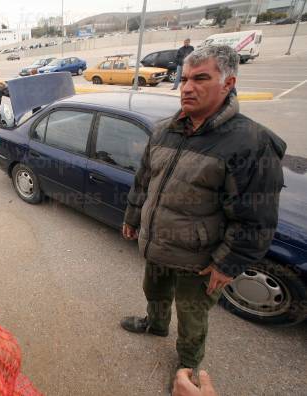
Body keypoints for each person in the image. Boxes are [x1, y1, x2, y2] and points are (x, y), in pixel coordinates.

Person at [120, 45, 286, 376]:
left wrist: (228, 263)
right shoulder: (165, 129)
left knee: (192, 317)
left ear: (228, 83)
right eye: (184, 79)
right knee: (153, 291)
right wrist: (132, 216)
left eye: (201, 78)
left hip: (199, 261)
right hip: (159, 245)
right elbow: (144, 181)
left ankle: (188, 366)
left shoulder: (250, 143)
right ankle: (155, 324)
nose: (187, 87)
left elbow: (257, 217)